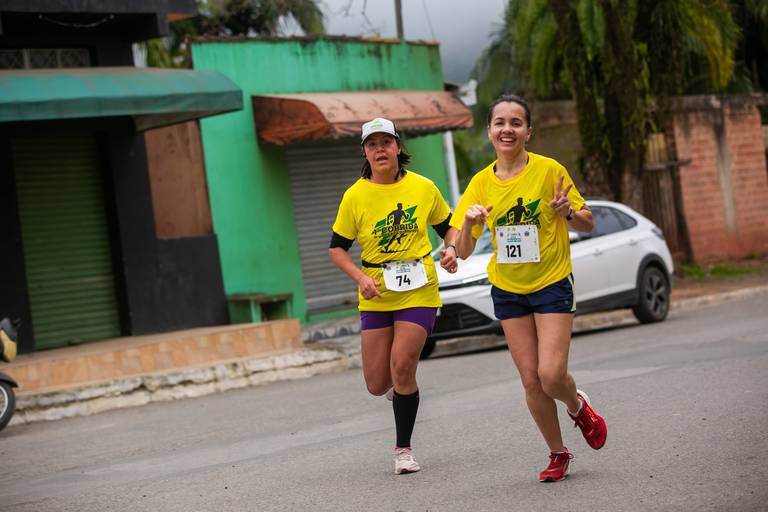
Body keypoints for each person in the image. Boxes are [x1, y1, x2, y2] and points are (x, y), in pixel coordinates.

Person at [448, 95, 607, 482]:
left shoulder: (549, 170)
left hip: (551, 282)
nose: (508, 129)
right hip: (508, 289)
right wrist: (466, 228)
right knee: (531, 381)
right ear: (489, 131)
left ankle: (577, 406)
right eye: (500, 123)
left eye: (516, 123)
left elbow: (588, 222)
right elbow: (463, 250)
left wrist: (567, 212)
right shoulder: (480, 184)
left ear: (528, 132)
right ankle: (558, 453)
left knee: (551, 375)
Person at [328, 117, 458, 475]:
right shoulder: (355, 196)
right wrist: (360, 278)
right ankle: (401, 390)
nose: (380, 150)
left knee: (402, 365)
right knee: (376, 383)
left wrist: (451, 249)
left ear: (398, 147)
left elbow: (449, 228)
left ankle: (403, 449)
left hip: (419, 288)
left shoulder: (423, 187)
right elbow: (336, 249)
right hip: (376, 291)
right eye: (372, 145)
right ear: (365, 153)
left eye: (386, 142)